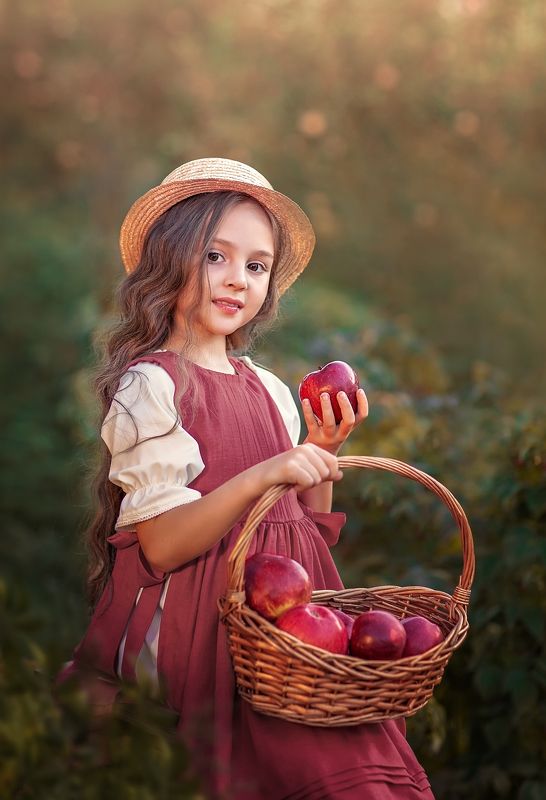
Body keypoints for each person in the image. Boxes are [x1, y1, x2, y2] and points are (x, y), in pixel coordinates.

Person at [57, 158, 435, 799]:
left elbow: (304, 536)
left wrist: (319, 452)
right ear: (171, 260)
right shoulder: (152, 385)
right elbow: (162, 545)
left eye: (256, 266)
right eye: (216, 257)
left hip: (286, 635)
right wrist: (267, 472)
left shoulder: (268, 388)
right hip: (206, 633)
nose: (238, 280)